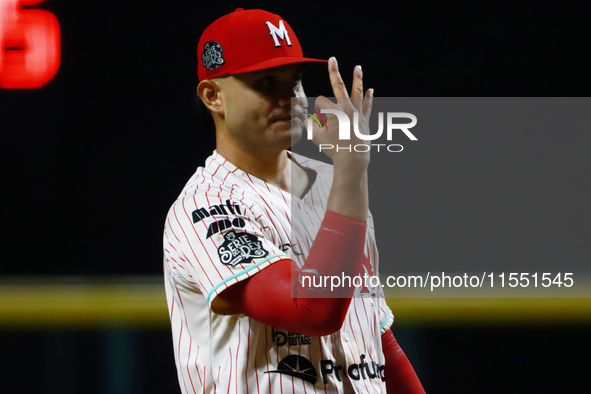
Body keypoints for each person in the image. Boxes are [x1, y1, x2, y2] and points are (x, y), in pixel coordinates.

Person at [163, 8, 425, 393]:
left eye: (296, 81)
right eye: (267, 83)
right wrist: (352, 175)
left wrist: (347, 176)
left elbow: (376, 339)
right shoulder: (205, 205)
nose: (290, 98)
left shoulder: (332, 181)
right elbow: (312, 309)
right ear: (213, 96)